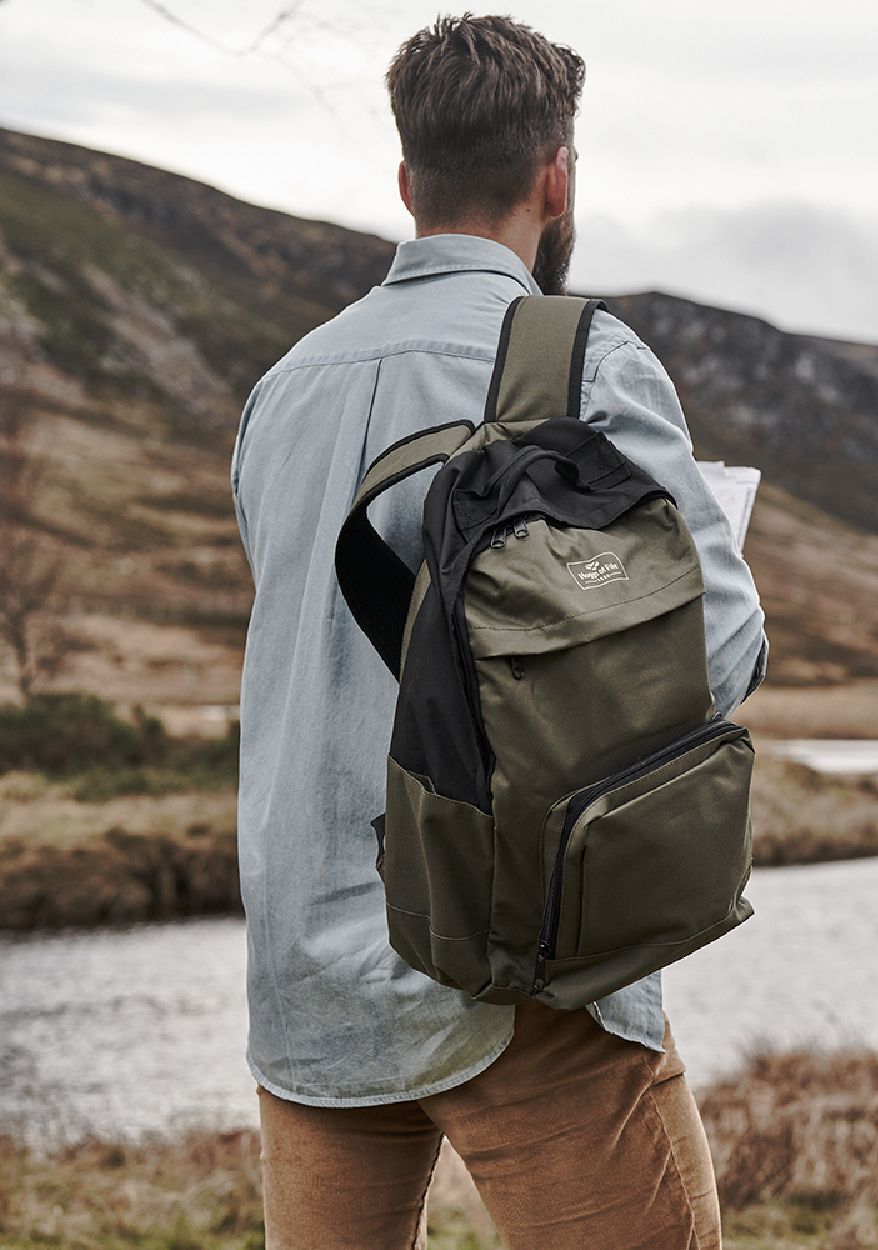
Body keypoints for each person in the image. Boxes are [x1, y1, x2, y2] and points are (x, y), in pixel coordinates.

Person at [229, 13, 768, 1249]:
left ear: (407, 181)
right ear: (556, 177)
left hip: (307, 966)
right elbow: (721, 659)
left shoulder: (284, 386)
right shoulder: (579, 360)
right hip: (525, 957)